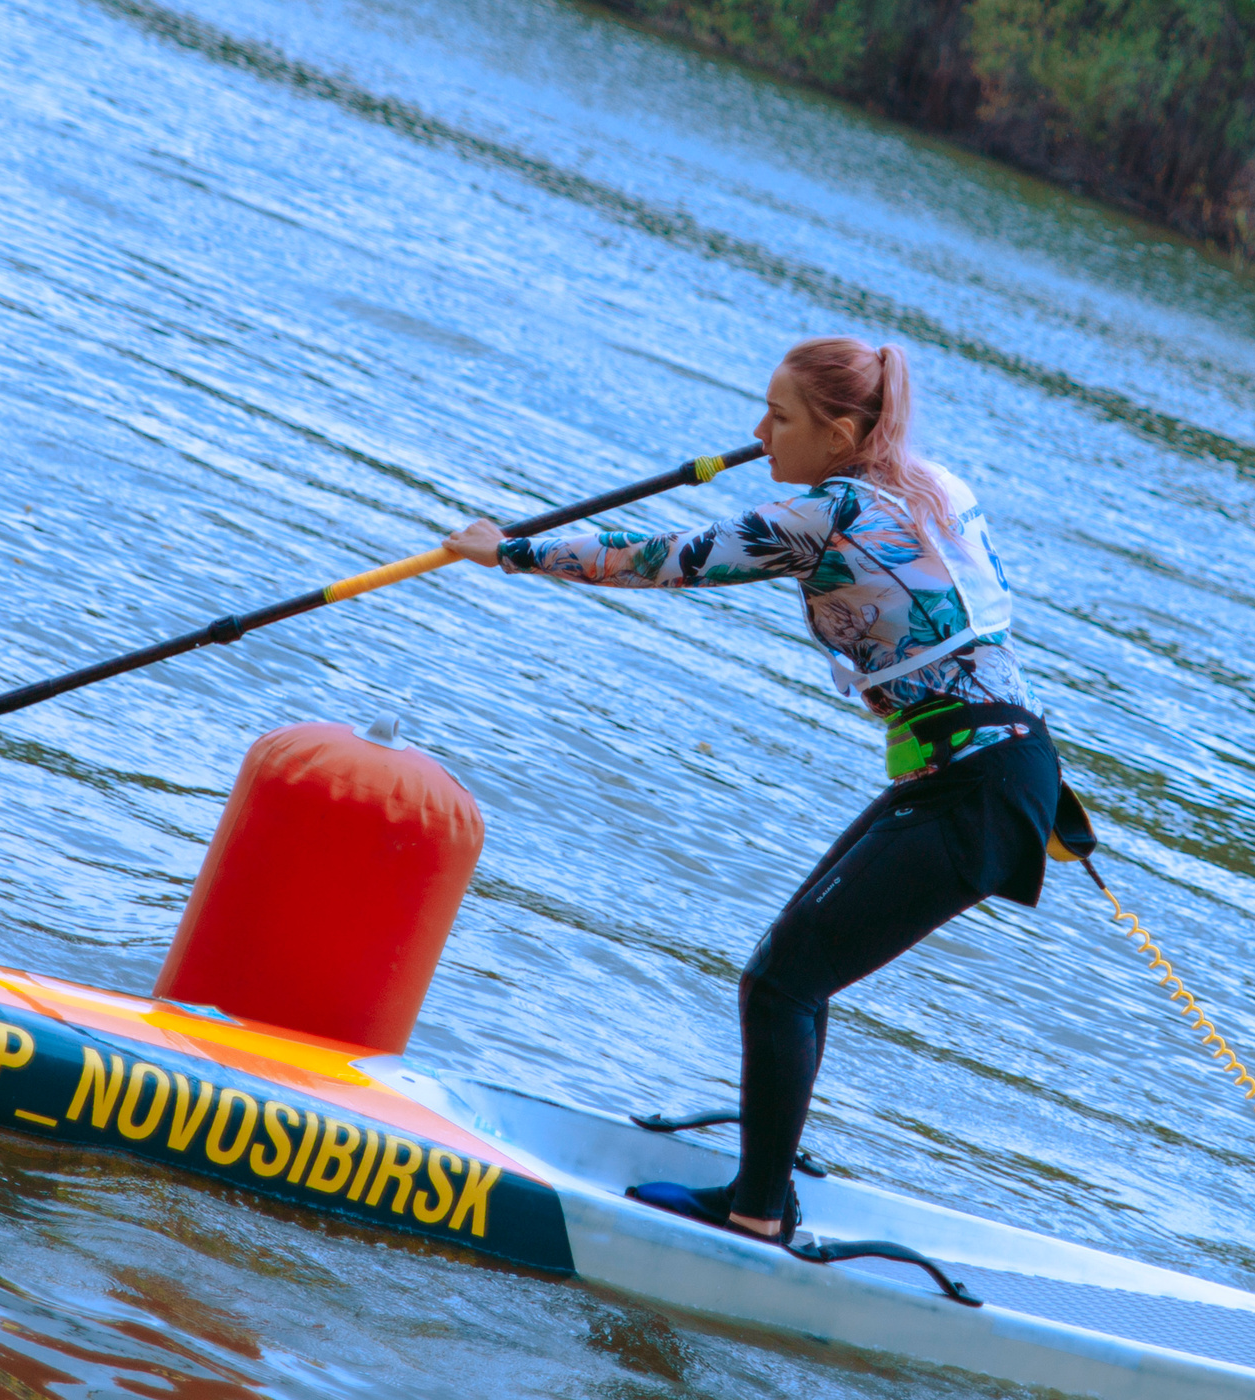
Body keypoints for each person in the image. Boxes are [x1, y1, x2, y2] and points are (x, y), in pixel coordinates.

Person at [445, 338, 1088, 1243]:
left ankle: (755, 1217)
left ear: (838, 431)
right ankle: (766, 1189)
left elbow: (672, 558)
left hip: (980, 780)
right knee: (788, 975)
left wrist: (513, 551)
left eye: (779, 417)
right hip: (997, 764)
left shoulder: (825, 517)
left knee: (783, 982)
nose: (759, 431)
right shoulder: (932, 486)